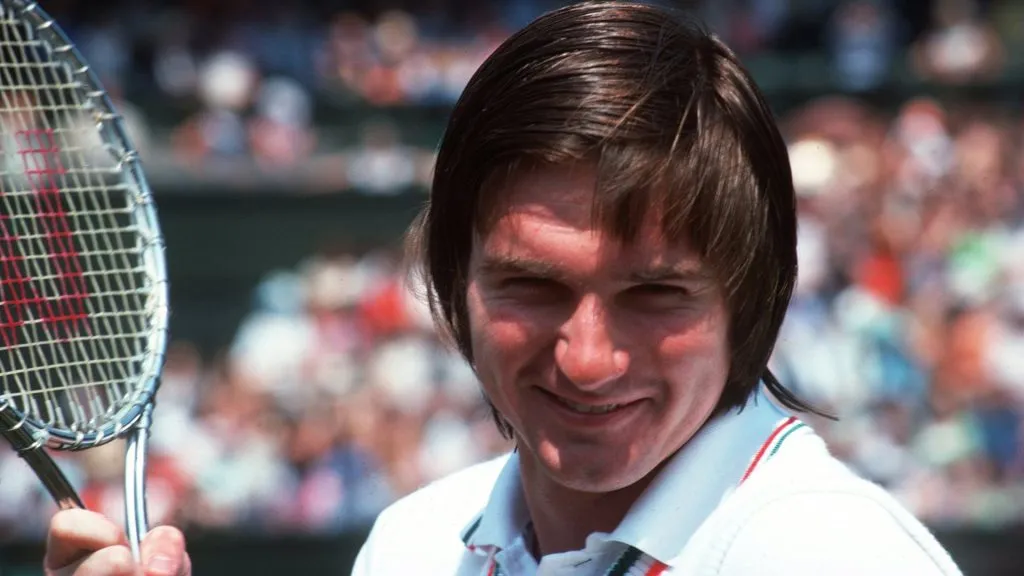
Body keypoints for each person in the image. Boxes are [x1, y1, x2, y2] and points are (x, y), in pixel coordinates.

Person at [44, 2, 965, 575]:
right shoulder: (412, 546)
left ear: (750, 301)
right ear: (454, 282)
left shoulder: (824, 555)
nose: (589, 358)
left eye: (655, 294)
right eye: (531, 283)